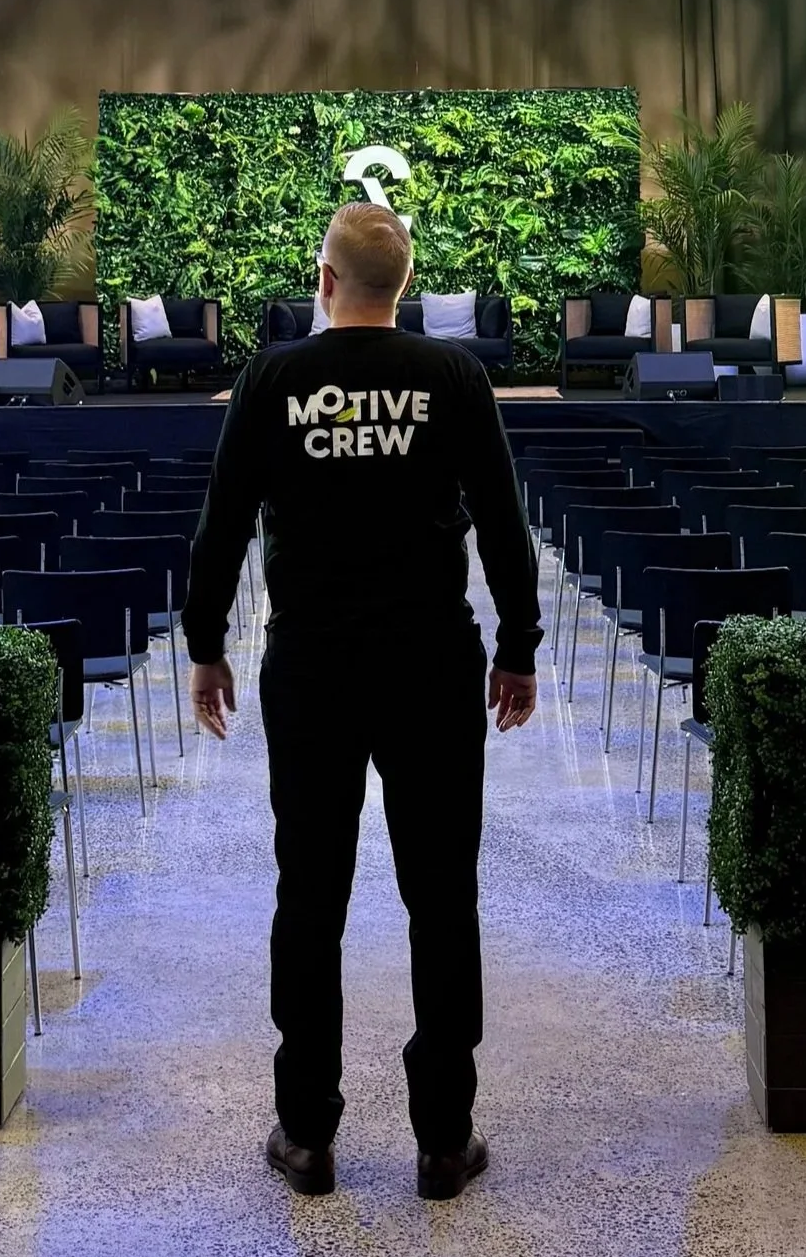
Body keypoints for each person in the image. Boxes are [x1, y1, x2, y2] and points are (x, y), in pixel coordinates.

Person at [183, 200, 543, 1203]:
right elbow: (505, 529)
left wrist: (205, 645)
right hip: (431, 664)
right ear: (403, 284)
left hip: (310, 669)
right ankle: (443, 1138)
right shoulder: (454, 377)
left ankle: (305, 1135)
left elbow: (221, 528)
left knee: (309, 899)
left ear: (325, 279)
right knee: (442, 899)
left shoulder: (273, 377)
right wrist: (517, 648)